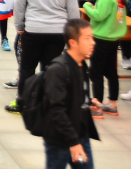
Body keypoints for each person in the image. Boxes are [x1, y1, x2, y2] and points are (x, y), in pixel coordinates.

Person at [8, 0, 79, 113]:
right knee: (49, 69)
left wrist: (19, 26)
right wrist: (72, 34)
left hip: (33, 28)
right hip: (57, 31)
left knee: (27, 67)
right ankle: (47, 103)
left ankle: (23, 102)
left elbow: (20, 3)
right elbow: (73, 11)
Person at [40, 19, 100, 169]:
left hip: (80, 136)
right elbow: (56, 109)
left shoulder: (81, 65)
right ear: (73, 42)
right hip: (60, 141)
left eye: (92, 38)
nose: (93, 42)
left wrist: (87, 102)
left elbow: (72, 96)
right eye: (87, 38)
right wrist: (73, 142)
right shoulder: (58, 69)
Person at [83, 0, 127, 117]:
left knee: (96, 72)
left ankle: (97, 106)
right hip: (113, 38)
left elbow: (98, 15)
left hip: (101, 38)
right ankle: (112, 104)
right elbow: (117, 18)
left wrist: (87, 6)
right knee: (110, 72)